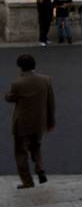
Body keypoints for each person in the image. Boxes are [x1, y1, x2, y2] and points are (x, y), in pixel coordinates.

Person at [5, 54, 55, 189]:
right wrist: (51, 122)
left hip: (22, 124)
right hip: (39, 122)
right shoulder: (46, 80)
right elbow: (51, 103)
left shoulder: (17, 84)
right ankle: (40, 169)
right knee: (36, 146)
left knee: (21, 152)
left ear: (20, 67)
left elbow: (9, 98)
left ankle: (27, 181)